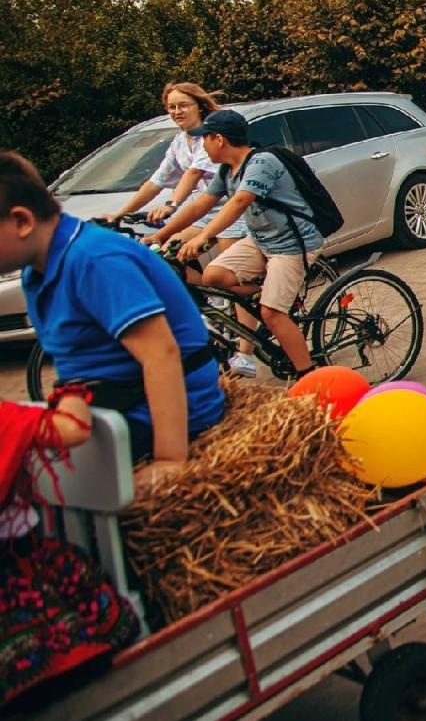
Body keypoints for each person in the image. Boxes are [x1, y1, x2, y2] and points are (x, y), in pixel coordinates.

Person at [0, 151, 225, 497]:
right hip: (108, 404)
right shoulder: (38, 271)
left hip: (146, 414)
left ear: (21, 221)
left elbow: (160, 353)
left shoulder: (94, 259)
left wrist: (169, 460)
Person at [147, 109, 323, 378]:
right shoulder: (227, 171)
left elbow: (240, 201)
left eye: (204, 138)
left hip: (293, 243)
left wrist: (204, 237)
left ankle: (309, 376)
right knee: (214, 276)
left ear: (219, 139)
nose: (202, 145)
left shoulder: (262, 163)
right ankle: (270, 296)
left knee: (272, 313)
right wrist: (161, 235)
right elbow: (202, 204)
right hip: (262, 240)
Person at [106, 83, 247, 258]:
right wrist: (120, 214)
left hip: (232, 211)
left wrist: (171, 205)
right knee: (168, 256)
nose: (177, 111)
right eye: (171, 107)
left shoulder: (212, 136)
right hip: (205, 212)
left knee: (227, 273)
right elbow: (155, 182)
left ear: (200, 107)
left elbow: (194, 173)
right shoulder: (179, 142)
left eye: (184, 105)